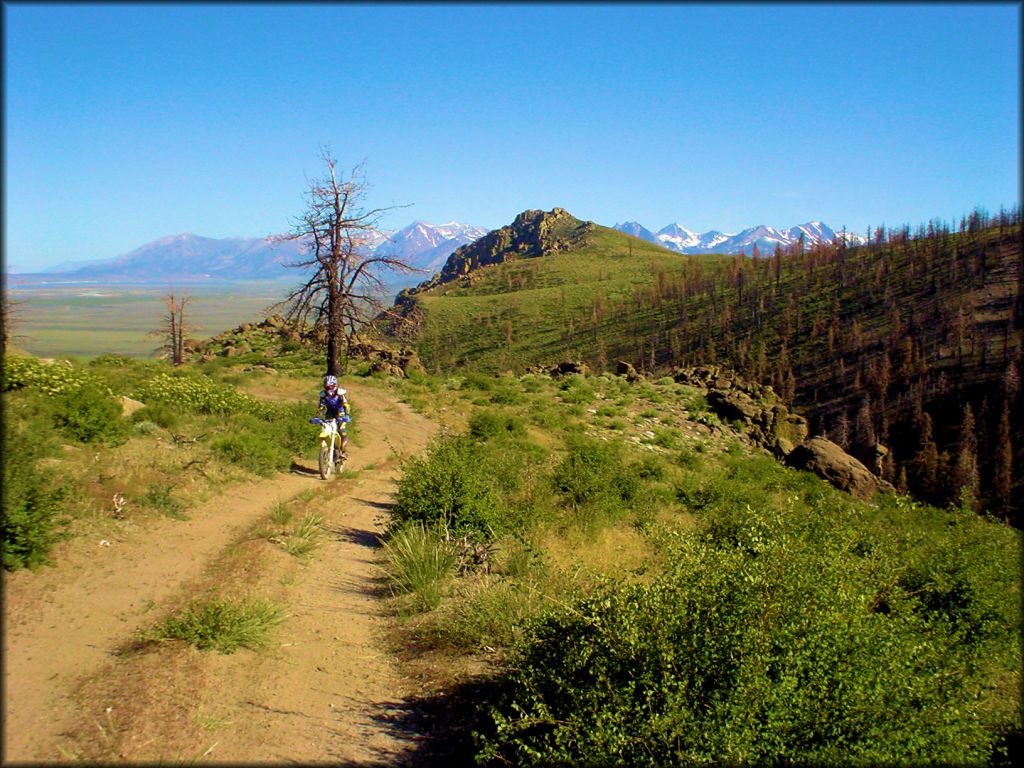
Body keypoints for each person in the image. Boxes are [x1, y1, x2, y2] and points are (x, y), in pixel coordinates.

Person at [317, 374, 350, 460]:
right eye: (327, 387)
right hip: (330, 412)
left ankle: (343, 451)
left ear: (334, 386)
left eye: (330, 387)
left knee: (342, 430)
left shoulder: (340, 393)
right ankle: (327, 449)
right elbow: (321, 405)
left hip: (340, 412)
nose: (329, 389)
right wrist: (318, 414)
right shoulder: (323, 394)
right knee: (326, 427)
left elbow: (345, 404)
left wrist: (347, 414)